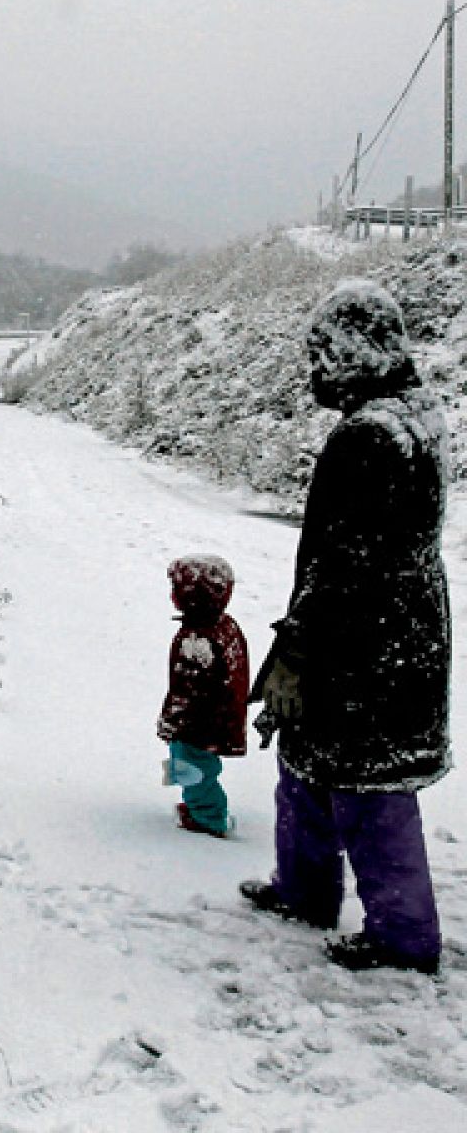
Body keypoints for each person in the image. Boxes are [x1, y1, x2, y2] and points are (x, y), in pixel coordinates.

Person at [242, 280, 452, 975]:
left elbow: (346, 560)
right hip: (403, 627)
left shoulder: (370, 437)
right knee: (308, 765)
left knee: (371, 787)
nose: (315, 371)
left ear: (355, 352)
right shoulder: (418, 416)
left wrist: (298, 649)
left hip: (366, 638)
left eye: (323, 355)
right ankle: (303, 890)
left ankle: (403, 936)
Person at [158, 554, 250, 838]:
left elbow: (188, 693)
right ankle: (199, 805)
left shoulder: (197, 642)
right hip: (219, 717)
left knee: (192, 767)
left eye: (176, 589)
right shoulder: (225, 626)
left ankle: (208, 817)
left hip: (198, 725)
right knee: (198, 766)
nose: (172, 595)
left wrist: (172, 722)